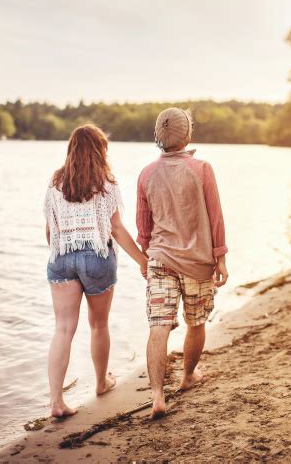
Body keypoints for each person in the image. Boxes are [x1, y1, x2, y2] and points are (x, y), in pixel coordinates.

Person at [44, 123, 147, 418]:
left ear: (71, 150)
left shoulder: (55, 182)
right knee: (98, 325)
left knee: (63, 329)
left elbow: (51, 230)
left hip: (61, 259)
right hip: (97, 257)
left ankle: (56, 402)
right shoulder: (106, 184)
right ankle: (101, 383)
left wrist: (62, 256)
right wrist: (142, 260)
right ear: (101, 151)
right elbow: (115, 229)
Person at [136, 107, 229, 419]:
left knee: (158, 326)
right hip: (197, 261)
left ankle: (157, 395)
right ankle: (188, 377)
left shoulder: (146, 174)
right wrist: (221, 258)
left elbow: (143, 226)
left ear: (158, 138)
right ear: (187, 134)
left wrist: (145, 257)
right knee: (195, 321)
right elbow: (215, 217)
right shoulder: (202, 168)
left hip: (160, 259)